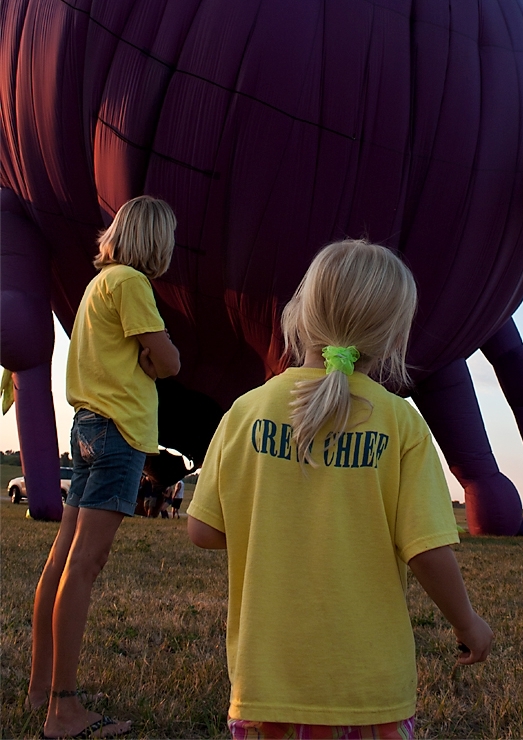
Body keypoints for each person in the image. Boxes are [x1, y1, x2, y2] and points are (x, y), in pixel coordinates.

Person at [188, 239, 493, 740]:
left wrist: (272, 521)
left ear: (301, 314)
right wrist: (467, 623)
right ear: (394, 336)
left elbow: (202, 530)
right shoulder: (400, 424)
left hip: (264, 687)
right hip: (368, 694)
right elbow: (427, 549)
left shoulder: (246, 411)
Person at [27, 196, 181, 739]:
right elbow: (168, 360)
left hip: (88, 426)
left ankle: (40, 685)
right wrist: (154, 359)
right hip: (119, 434)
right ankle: (64, 710)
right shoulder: (133, 285)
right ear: (154, 241)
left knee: (62, 557)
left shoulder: (97, 286)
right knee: (86, 566)